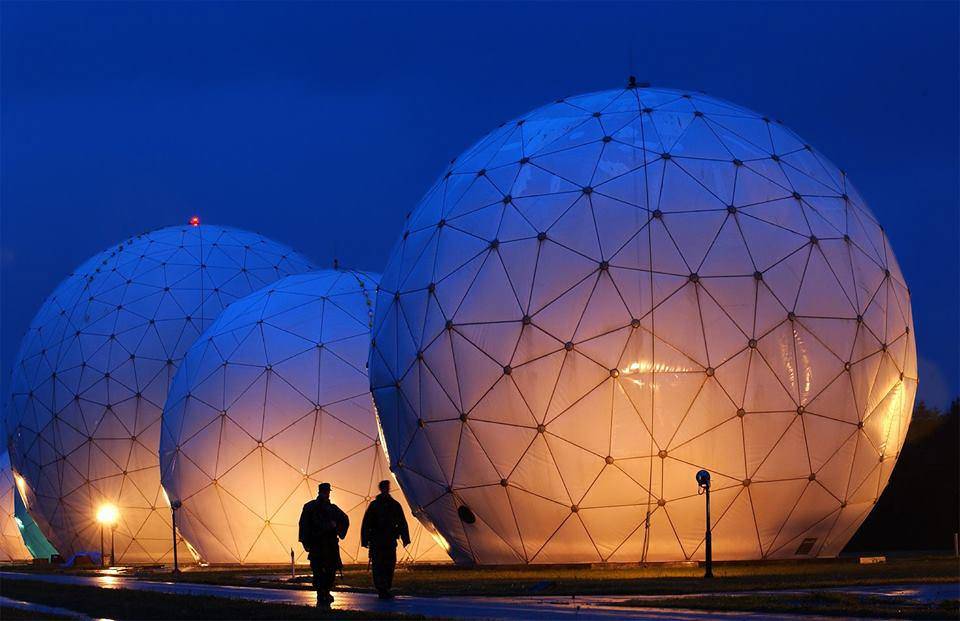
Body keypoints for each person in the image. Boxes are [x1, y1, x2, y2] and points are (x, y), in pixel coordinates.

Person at [298, 482, 349, 606]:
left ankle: (323, 593)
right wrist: (337, 529)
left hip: (324, 546)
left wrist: (305, 542)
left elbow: (303, 526)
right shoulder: (318, 508)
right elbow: (304, 525)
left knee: (323, 571)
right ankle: (323, 593)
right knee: (323, 571)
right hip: (322, 546)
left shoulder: (316, 507)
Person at [360, 479, 410, 599]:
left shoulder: (393, 505)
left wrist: (405, 537)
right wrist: (365, 539)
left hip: (388, 541)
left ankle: (385, 587)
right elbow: (367, 523)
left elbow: (402, 522)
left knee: (388, 565)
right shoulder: (377, 505)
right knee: (379, 566)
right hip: (378, 542)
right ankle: (382, 589)